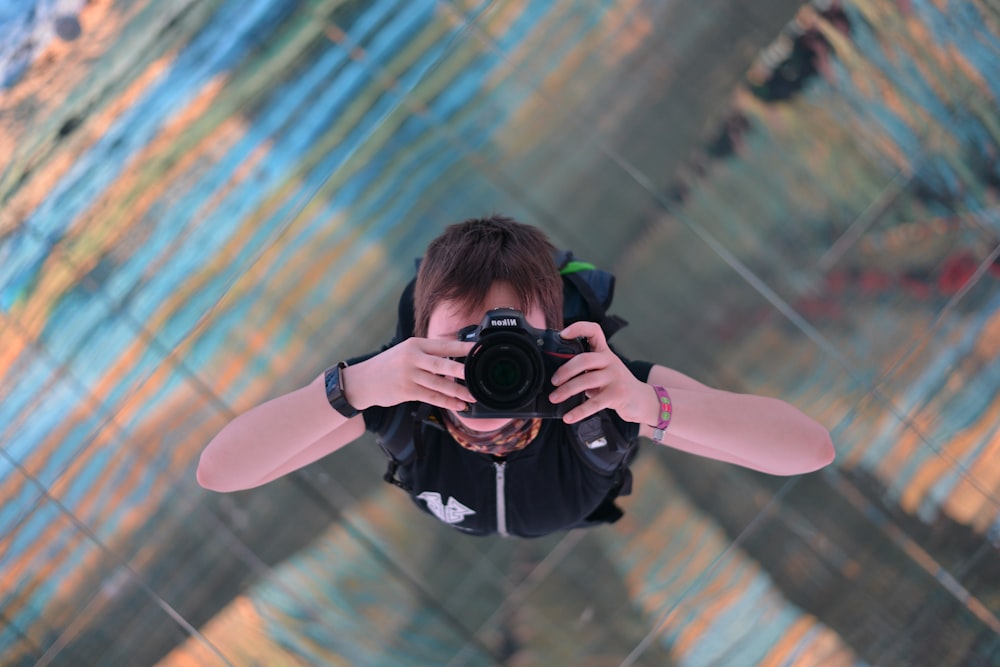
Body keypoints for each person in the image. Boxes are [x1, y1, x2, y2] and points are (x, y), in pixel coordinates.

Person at [197, 216, 835, 537]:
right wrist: (355, 387)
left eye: (511, 339)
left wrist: (647, 403)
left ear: (553, 338)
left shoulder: (598, 393)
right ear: (420, 341)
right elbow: (221, 471)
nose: (486, 363)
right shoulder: (393, 397)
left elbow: (809, 450)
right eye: (462, 338)